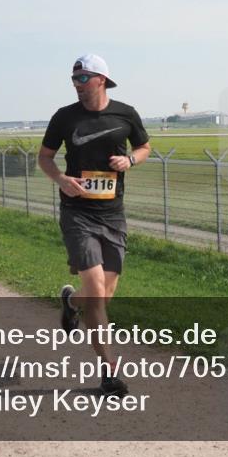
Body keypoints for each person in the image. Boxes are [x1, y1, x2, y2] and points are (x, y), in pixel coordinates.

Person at [39, 54, 150, 398]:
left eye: (83, 78)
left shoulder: (126, 114)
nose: (77, 84)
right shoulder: (64, 117)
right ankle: (110, 373)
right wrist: (60, 179)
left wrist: (130, 160)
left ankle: (71, 304)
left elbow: (145, 146)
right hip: (77, 212)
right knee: (97, 289)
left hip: (112, 214)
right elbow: (44, 157)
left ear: (101, 79)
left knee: (105, 294)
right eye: (74, 79)